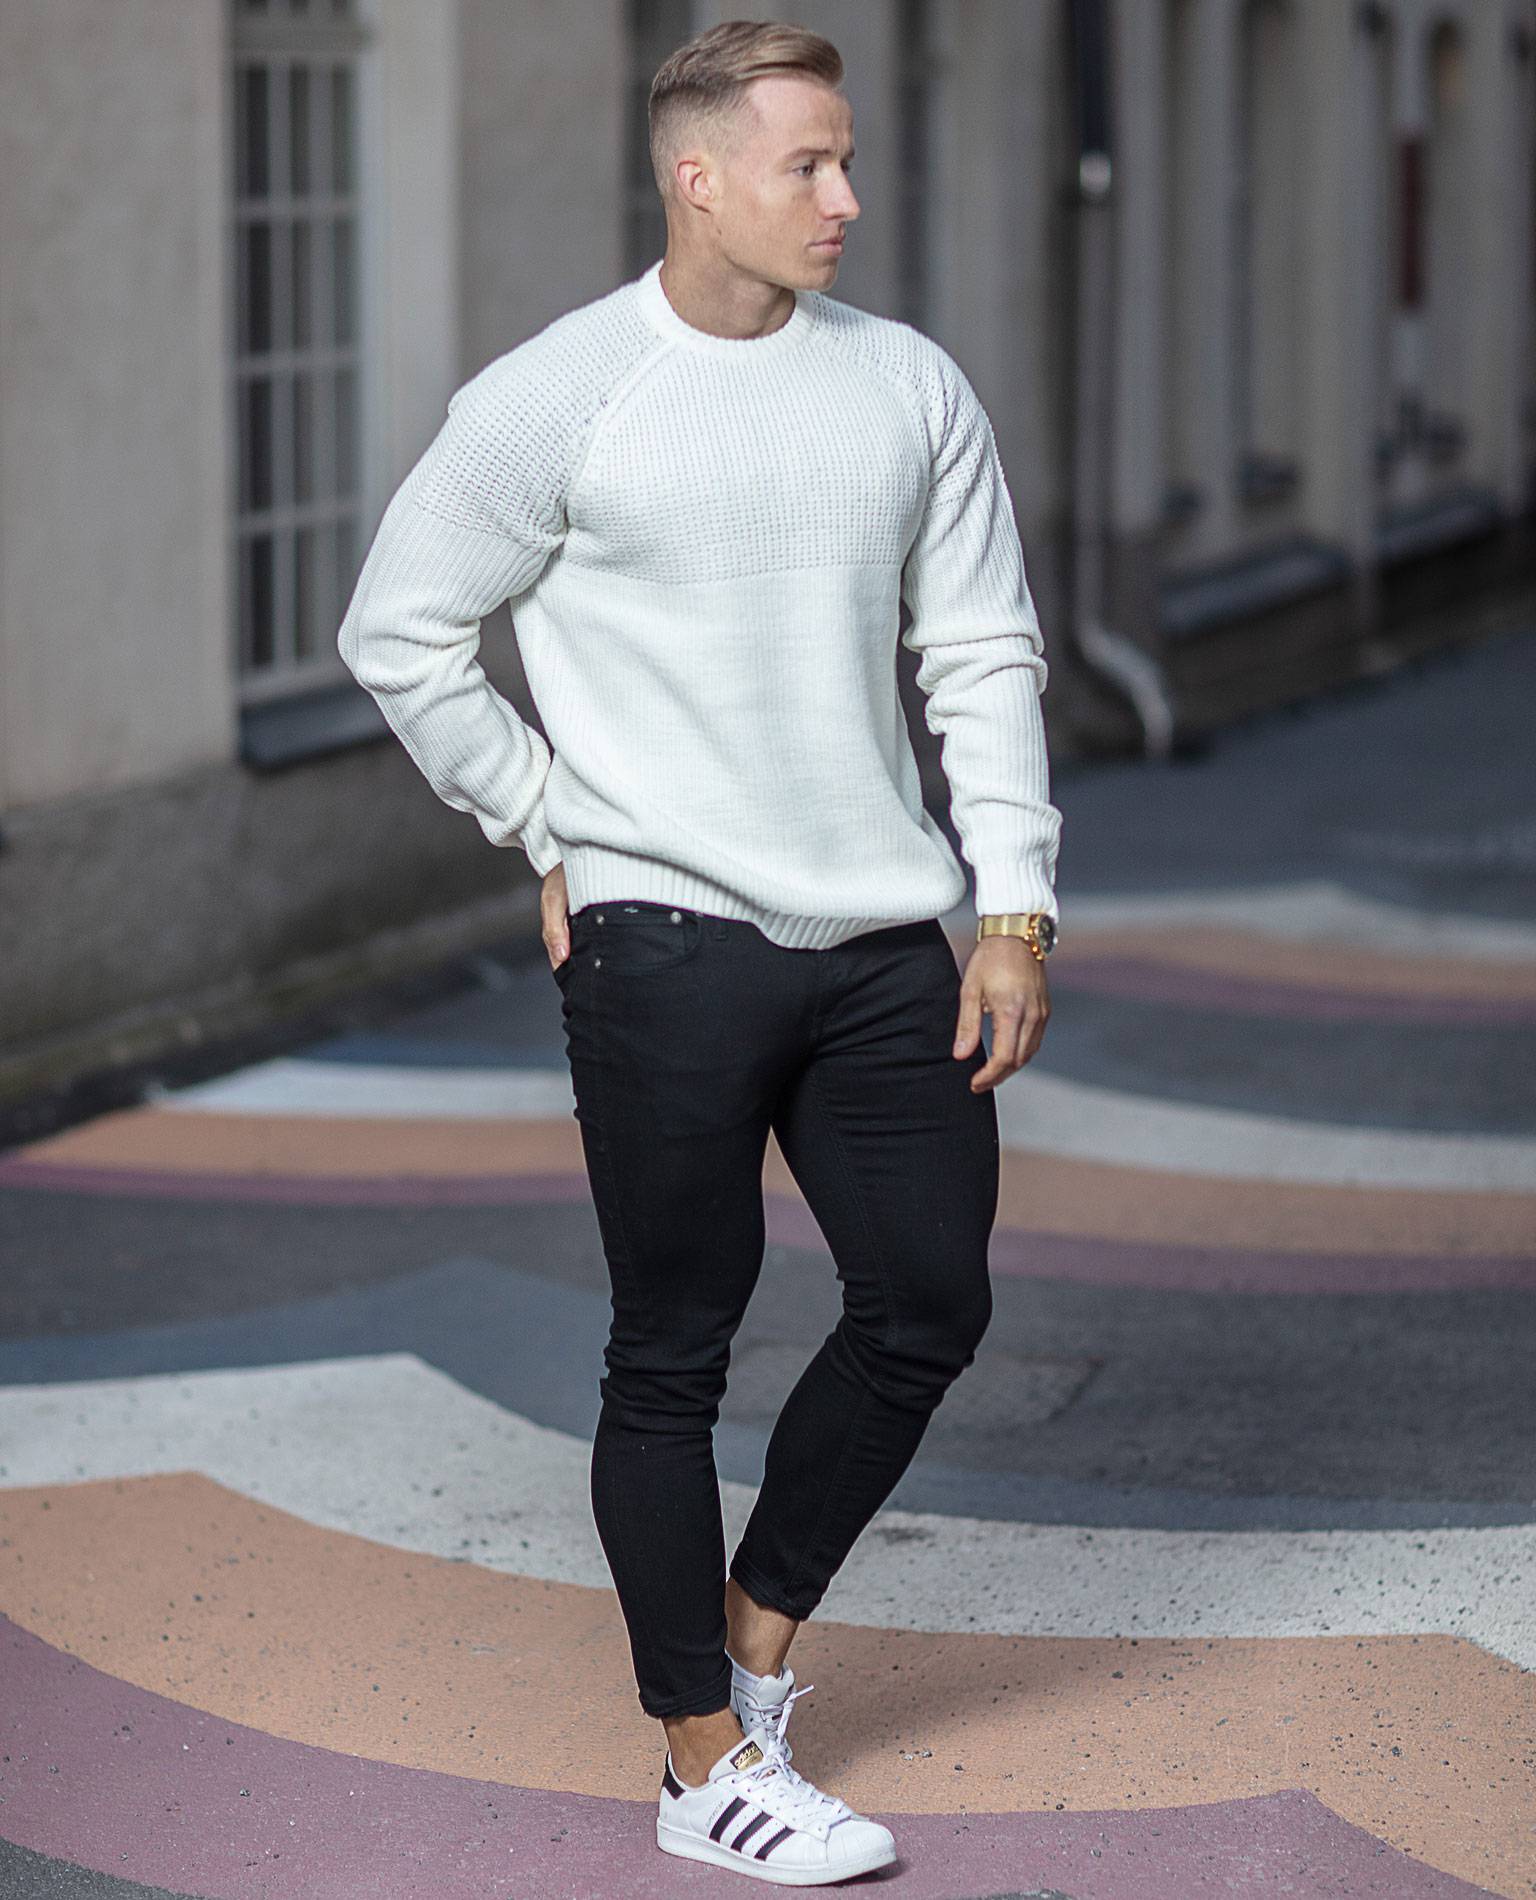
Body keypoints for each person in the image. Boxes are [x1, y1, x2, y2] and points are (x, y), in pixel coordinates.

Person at [337, 16, 1062, 1885]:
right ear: (698, 177)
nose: (845, 197)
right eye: (808, 163)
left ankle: (750, 1652)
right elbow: (399, 630)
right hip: (661, 941)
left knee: (929, 1301)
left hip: (885, 933)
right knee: (673, 1350)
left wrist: (1011, 902)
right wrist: (545, 819)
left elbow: (981, 649)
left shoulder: (905, 387)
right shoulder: (557, 395)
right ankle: (695, 1764)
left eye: (846, 158)